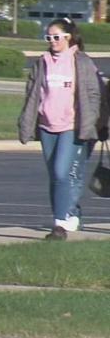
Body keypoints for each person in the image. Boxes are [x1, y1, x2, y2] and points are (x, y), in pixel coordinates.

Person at [19, 18, 107, 240]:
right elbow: (32, 93)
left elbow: (94, 93)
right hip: (47, 125)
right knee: (55, 176)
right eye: (48, 37)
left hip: (71, 125)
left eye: (56, 37)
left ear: (68, 37)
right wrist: (27, 121)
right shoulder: (43, 62)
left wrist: (93, 121)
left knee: (61, 172)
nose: (52, 41)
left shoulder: (82, 62)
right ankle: (68, 212)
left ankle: (59, 223)